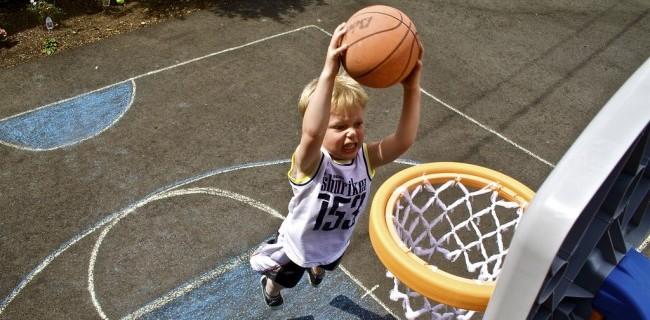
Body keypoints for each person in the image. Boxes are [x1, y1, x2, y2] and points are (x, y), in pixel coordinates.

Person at [250, 22, 423, 308]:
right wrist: (330, 70)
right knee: (285, 279)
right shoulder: (311, 163)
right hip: (299, 247)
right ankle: (270, 287)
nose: (352, 132)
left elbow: (403, 141)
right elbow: (312, 133)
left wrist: (412, 88)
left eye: (357, 124)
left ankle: (317, 268)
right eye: (340, 126)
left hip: (335, 242)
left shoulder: (365, 158)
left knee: (326, 267)